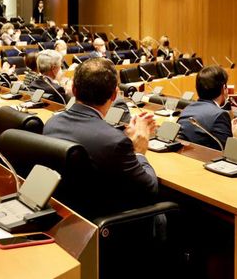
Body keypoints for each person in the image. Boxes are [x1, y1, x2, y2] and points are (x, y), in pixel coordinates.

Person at [43, 58, 158, 220]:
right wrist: (139, 152)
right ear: (114, 95)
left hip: (66, 215)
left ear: (74, 90)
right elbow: (149, 190)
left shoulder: (51, 123)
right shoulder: (114, 141)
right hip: (106, 223)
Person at [177, 66, 237, 150]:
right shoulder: (220, 115)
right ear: (224, 89)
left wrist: (228, 130)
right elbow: (229, 155)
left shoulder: (187, 109)